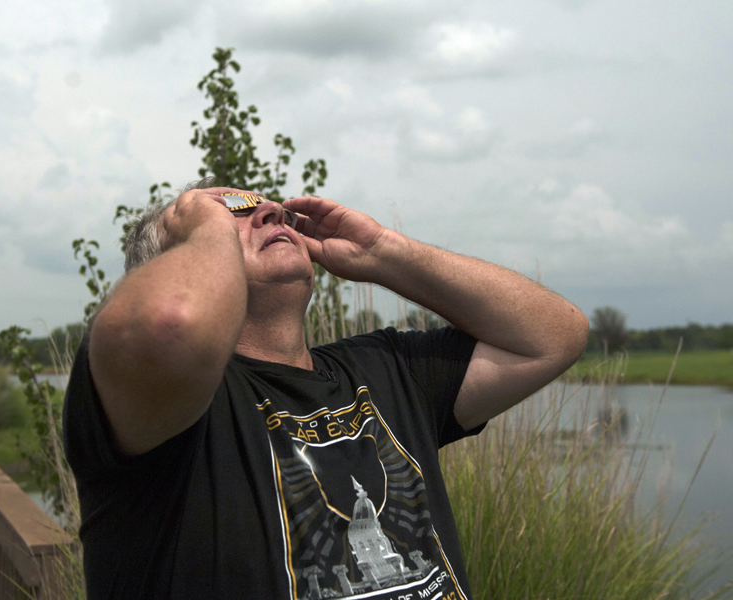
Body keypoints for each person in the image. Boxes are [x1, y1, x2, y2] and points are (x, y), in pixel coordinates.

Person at [63, 180, 589, 600]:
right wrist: (207, 224)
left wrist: (385, 253)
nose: (267, 211)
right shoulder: (162, 404)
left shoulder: (385, 369)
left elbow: (553, 336)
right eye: (232, 211)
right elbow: (170, 324)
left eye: (265, 203)